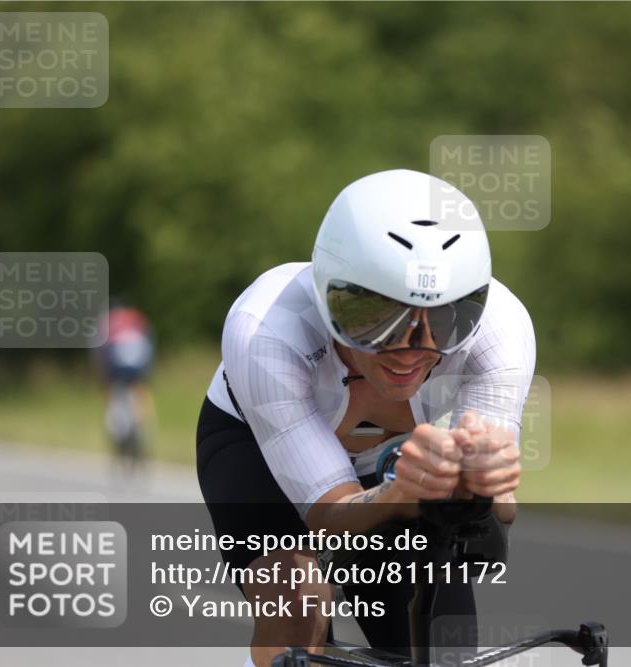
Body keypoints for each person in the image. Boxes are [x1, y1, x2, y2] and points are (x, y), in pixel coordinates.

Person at [195, 169, 536, 667]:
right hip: (259, 453)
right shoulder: (265, 328)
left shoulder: (501, 329)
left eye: (445, 318)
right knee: (298, 605)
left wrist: (484, 486)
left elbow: (493, 520)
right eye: (375, 317)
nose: (408, 348)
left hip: (401, 467)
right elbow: (327, 513)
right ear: (326, 292)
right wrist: (398, 494)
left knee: (441, 639)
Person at [96, 300, 156, 469]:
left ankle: (117, 438)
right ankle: (144, 427)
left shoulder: (107, 321)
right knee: (141, 395)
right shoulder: (137, 318)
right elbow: (151, 344)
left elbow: (99, 352)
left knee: (113, 400)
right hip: (139, 366)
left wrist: (103, 379)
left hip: (116, 368)